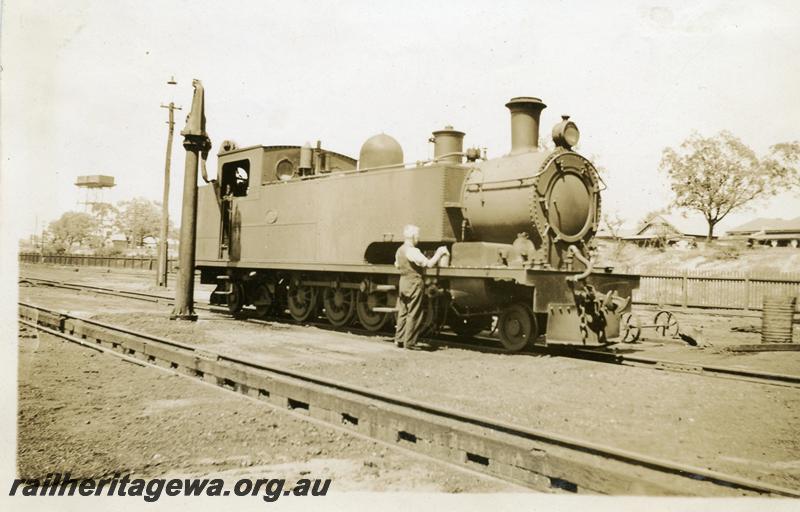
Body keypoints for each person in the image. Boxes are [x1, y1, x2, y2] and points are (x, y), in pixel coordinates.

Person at [394, 225, 449, 349]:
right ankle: (410, 342)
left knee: (403, 312)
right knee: (414, 313)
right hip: (414, 283)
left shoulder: (399, 250)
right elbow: (428, 264)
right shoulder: (413, 251)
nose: (418, 238)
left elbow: (397, 265)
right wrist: (439, 253)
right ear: (413, 236)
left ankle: (399, 339)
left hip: (403, 282)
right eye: (417, 236)